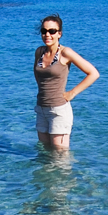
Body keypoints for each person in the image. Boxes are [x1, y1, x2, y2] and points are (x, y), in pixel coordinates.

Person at [33, 14, 99, 150]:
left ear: (59, 34)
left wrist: (71, 93)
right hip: (41, 109)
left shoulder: (65, 53)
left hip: (59, 110)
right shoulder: (39, 52)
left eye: (52, 31)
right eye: (44, 31)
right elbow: (37, 74)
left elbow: (93, 73)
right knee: (44, 153)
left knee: (60, 158)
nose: (47, 35)